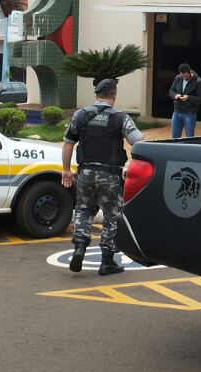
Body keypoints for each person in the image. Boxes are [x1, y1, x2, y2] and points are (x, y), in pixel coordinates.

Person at [61, 78, 145, 275]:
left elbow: (68, 144)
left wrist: (65, 170)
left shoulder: (80, 115)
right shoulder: (120, 118)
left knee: (83, 209)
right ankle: (107, 261)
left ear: (96, 95)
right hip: (110, 175)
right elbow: (138, 141)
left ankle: (80, 246)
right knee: (112, 215)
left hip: (85, 173)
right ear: (114, 96)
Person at [168, 63, 201, 138]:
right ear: (180, 73)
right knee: (174, 137)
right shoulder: (178, 78)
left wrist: (188, 98)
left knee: (189, 137)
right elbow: (171, 91)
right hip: (177, 111)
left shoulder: (198, 82)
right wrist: (176, 96)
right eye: (182, 75)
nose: (184, 77)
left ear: (189, 72)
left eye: (186, 76)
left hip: (190, 113)